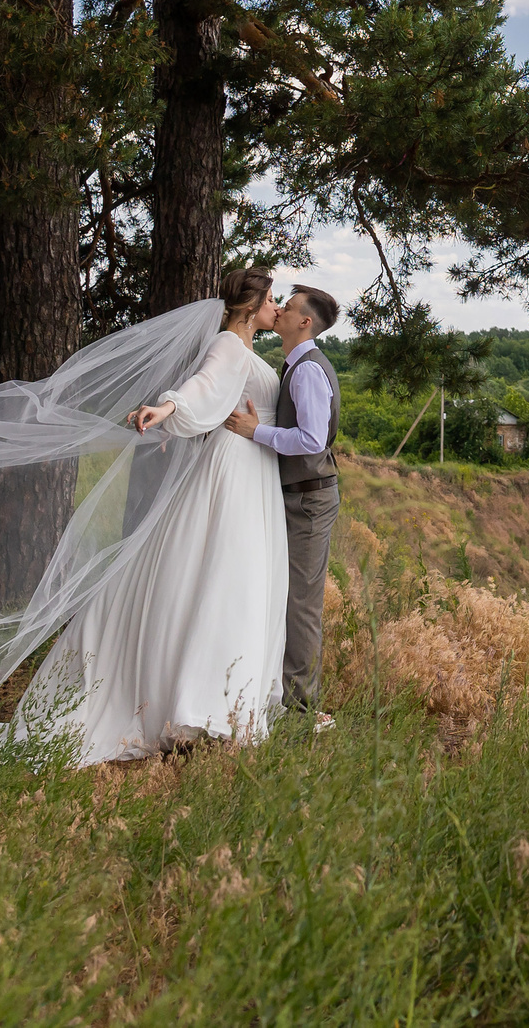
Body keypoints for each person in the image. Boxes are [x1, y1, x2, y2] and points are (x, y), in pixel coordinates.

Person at [0, 268, 292, 762]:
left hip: (252, 467)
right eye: (274, 299)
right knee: (224, 575)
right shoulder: (228, 344)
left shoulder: (247, 350)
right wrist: (166, 409)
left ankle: (224, 704)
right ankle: (199, 706)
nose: (279, 308)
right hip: (234, 470)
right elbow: (202, 387)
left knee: (229, 580)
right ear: (254, 302)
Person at [226, 284, 342, 731]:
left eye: (288, 308)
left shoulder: (309, 370)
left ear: (304, 322)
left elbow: (312, 441)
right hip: (296, 496)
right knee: (285, 596)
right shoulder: (295, 365)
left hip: (309, 499)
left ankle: (300, 712)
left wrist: (257, 432)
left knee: (302, 604)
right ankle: (277, 695)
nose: (280, 311)